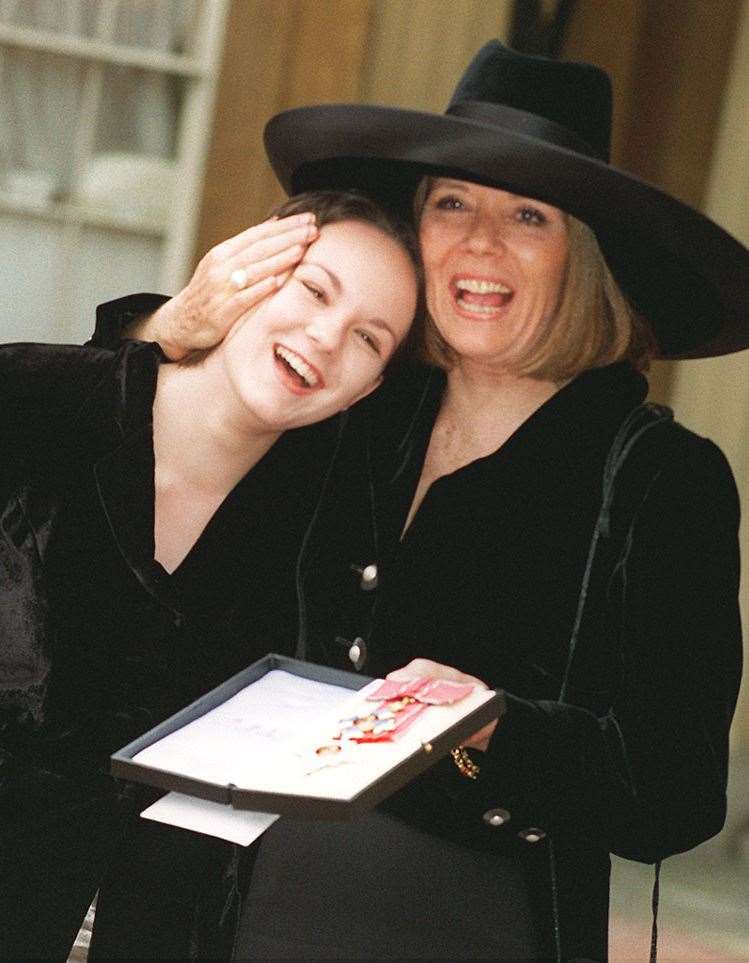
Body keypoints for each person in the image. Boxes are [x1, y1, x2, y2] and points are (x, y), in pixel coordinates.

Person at [102, 42, 748, 962]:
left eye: (527, 215)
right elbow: (105, 465)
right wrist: (168, 329)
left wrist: (488, 726)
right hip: (192, 903)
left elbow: (673, 795)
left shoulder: (657, 478)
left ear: (585, 258)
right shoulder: (342, 398)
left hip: (446, 924)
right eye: (452, 203)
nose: (479, 244)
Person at [0, 189, 419, 962]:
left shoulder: (317, 553)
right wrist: (158, 327)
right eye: (313, 289)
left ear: (368, 388)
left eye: (368, 337)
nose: (325, 338)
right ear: (242, 271)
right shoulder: (29, 407)